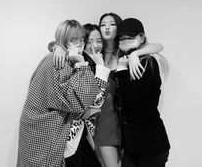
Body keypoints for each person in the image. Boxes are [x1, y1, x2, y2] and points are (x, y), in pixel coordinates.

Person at [52, 13, 164, 167]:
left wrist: (137, 53)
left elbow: (158, 46)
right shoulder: (88, 57)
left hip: (125, 121)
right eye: (103, 24)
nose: (107, 28)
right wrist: (57, 47)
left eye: (112, 24)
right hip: (102, 121)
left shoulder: (125, 51)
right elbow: (63, 42)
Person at [17, 19, 110, 167]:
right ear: (64, 41)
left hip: (64, 133)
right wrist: (85, 65)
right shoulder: (62, 61)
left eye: (82, 39)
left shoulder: (61, 57)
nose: (83, 44)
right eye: (74, 39)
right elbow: (80, 100)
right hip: (51, 133)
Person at [114, 18, 170, 167]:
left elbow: (129, 101)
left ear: (142, 38)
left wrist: (121, 70)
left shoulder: (149, 63)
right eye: (122, 38)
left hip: (150, 145)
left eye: (130, 38)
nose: (125, 41)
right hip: (133, 145)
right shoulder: (127, 59)